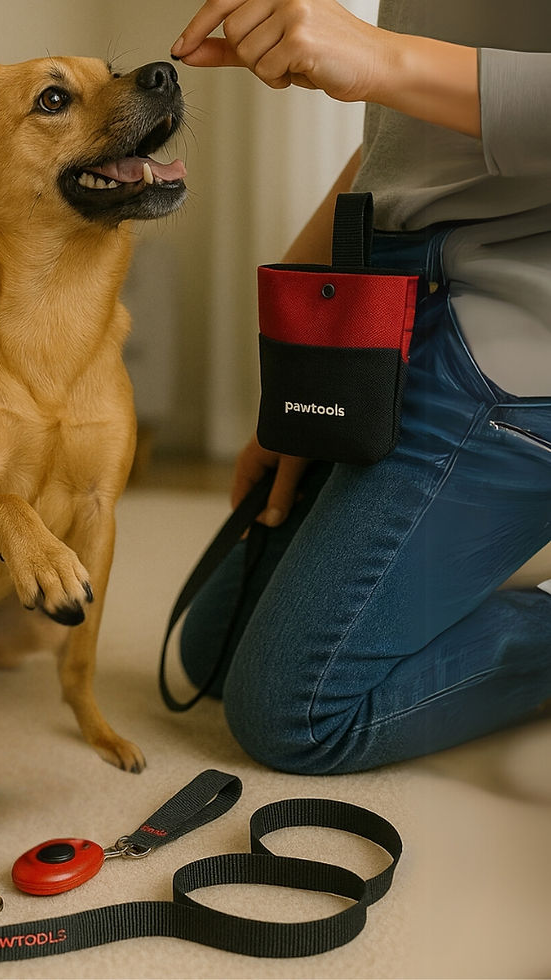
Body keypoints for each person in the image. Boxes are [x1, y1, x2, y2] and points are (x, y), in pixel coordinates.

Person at [168, 0, 551, 774]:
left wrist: (381, 59)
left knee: (296, 713)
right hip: (394, 304)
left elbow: (397, 74)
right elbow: (400, 146)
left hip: (516, 333)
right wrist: (301, 382)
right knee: (210, 650)